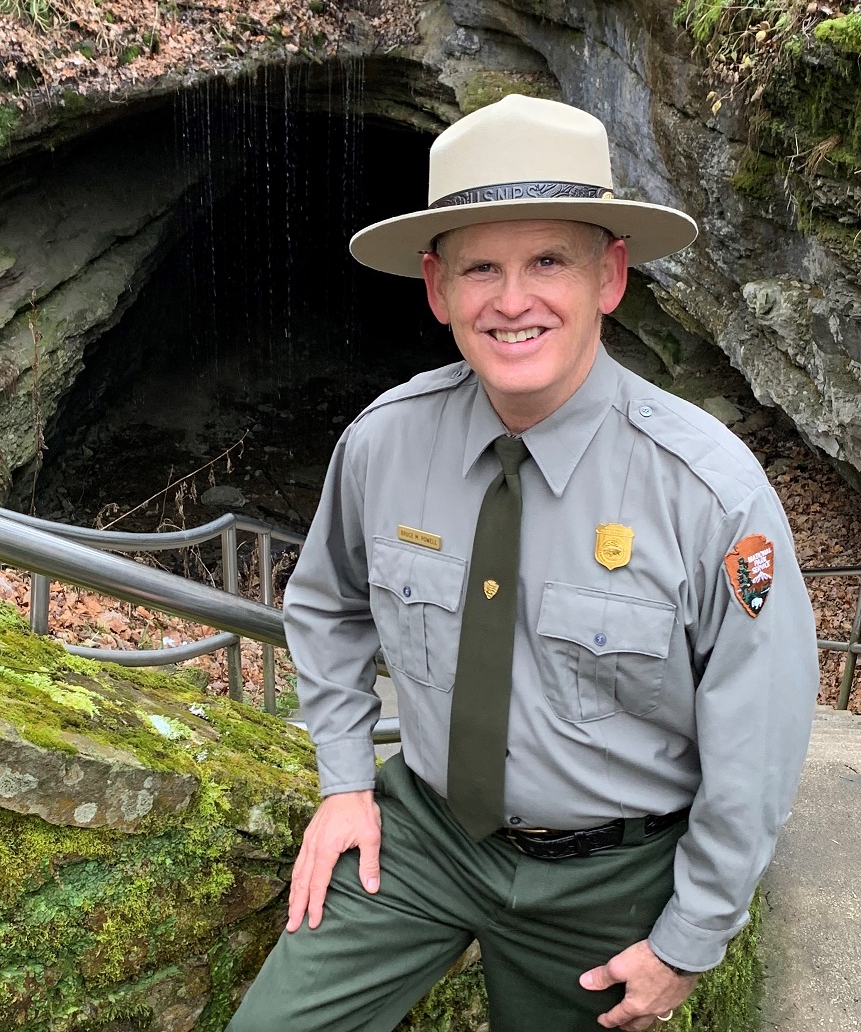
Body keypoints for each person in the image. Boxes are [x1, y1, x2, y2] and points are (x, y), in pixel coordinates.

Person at [227, 95, 819, 1032]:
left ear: (609, 276)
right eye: (481, 268)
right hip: (421, 837)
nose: (512, 300)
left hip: (608, 879)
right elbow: (327, 605)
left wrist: (689, 937)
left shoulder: (709, 493)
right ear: (437, 288)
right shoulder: (385, 445)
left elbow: (760, 735)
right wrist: (345, 778)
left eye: (548, 260)